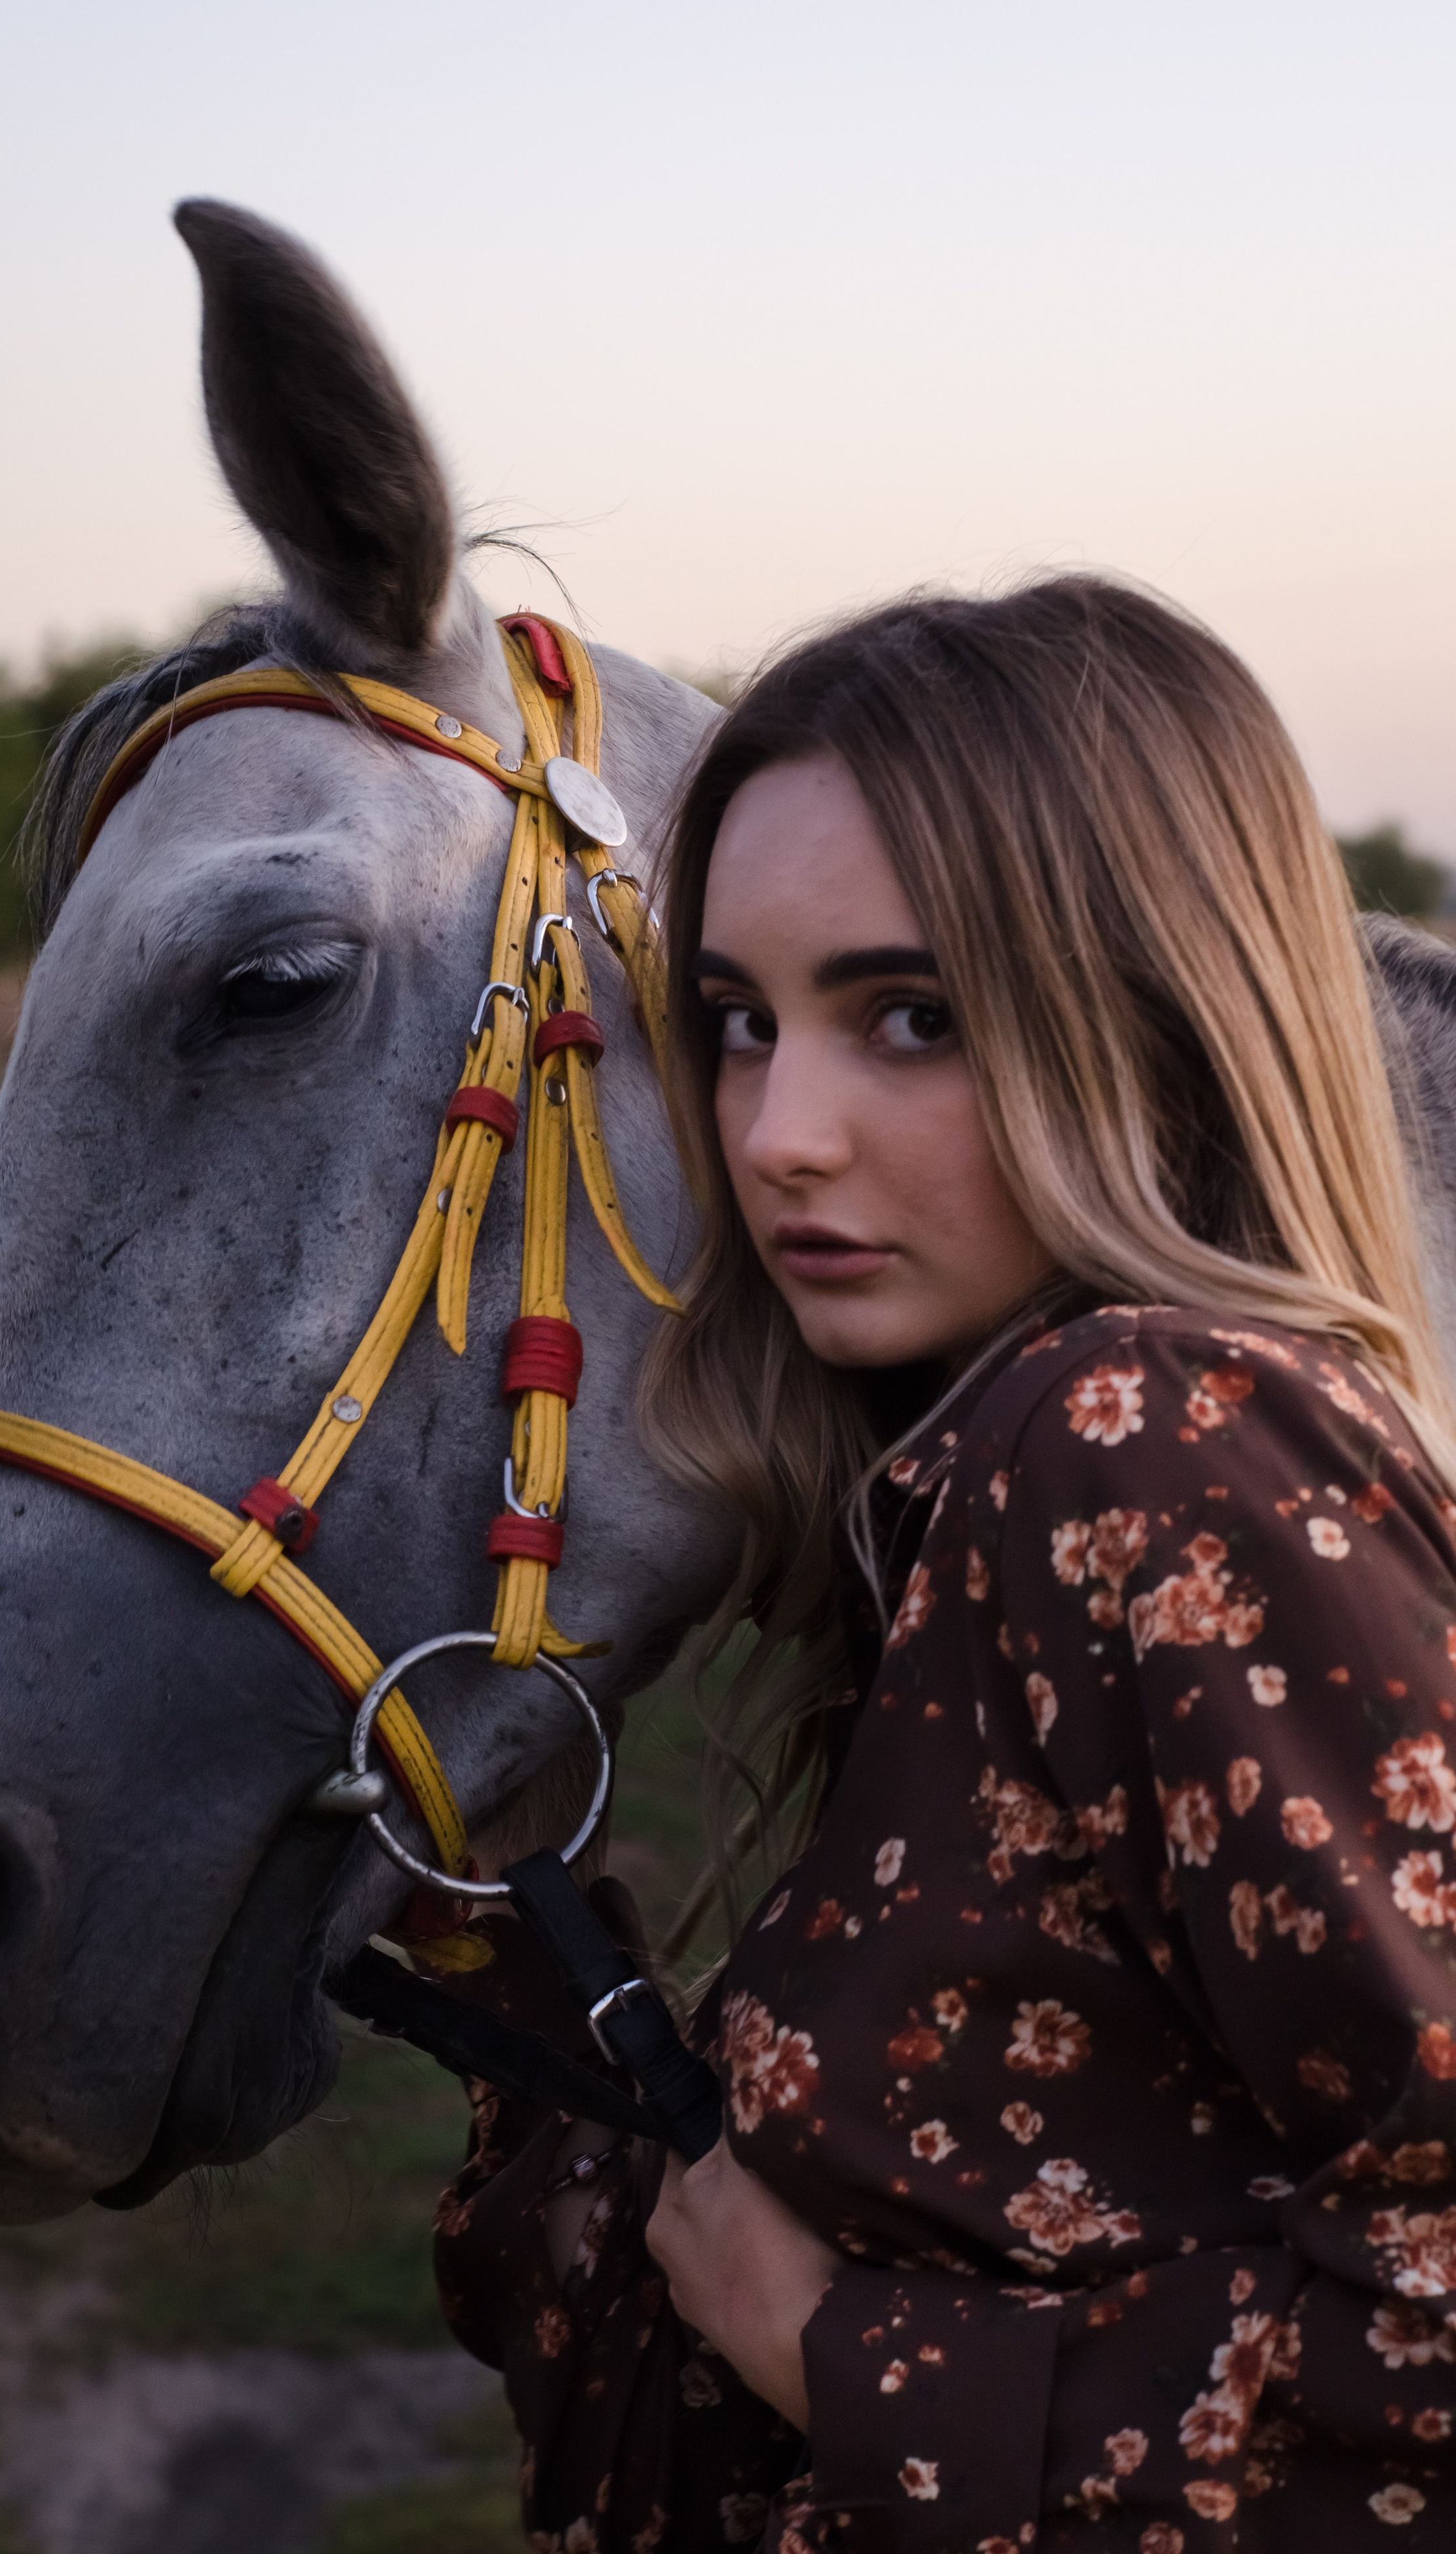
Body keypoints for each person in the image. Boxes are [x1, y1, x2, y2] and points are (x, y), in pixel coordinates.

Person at [433, 576, 1456, 2550]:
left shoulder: (1148, 1441)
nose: (778, 1134)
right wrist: (483, 1929)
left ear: (1165, 1024)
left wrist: (851, 2360)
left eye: (910, 1018)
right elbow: (700, 2348)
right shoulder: (983, 1489)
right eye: (735, 1023)